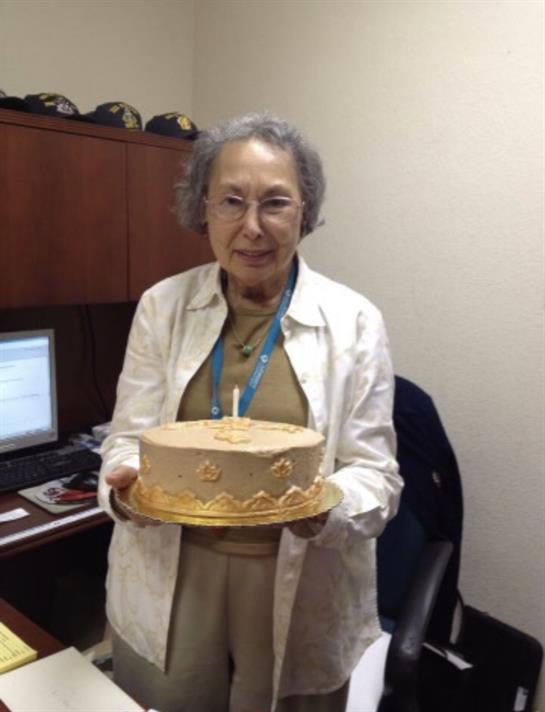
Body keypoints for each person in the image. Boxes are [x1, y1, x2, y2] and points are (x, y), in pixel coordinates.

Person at [98, 113, 403, 712]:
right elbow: (126, 439)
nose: (252, 227)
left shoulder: (356, 321)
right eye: (231, 201)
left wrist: (320, 509)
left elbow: (377, 476)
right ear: (202, 210)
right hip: (175, 569)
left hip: (297, 573)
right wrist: (128, 490)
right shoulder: (163, 307)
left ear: (305, 211)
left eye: (276, 203)